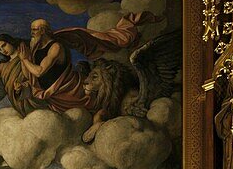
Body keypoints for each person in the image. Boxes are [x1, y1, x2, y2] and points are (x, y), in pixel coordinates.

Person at [18, 13, 154, 119]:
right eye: (32, 30)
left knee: (94, 110)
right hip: (53, 95)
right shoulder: (35, 48)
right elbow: (31, 73)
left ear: (43, 31)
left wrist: (24, 59)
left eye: (34, 30)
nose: (32, 33)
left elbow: (40, 71)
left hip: (69, 91)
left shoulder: (55, 47)